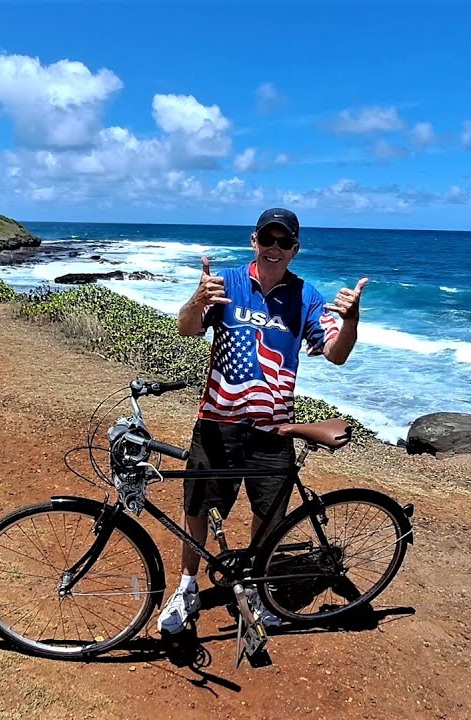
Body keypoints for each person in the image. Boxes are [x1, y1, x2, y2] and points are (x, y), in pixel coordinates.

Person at [158, 207, 369, 634]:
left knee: (268, 515)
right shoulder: (227, 283)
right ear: (253, 241)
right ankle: (186, 586)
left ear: (295, 248)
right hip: (217, 423)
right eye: (267, 239)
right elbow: (187, 329)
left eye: (284, 241)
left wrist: (351, 320)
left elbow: (336, 353)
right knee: (198, 508)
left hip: (273, 430)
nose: (275, 248)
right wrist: (197, 300)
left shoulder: (307, 297)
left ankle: (256, 587)